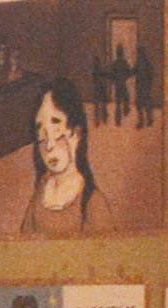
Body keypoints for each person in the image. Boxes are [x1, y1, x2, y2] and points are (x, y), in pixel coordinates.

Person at [11, 74, 101, 234]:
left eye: (56, 125)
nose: (49, 145)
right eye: (42, 136)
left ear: (77, 132)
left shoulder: (92, 204)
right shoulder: (42, 191)